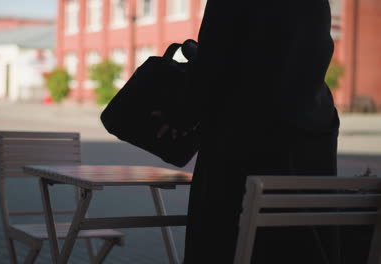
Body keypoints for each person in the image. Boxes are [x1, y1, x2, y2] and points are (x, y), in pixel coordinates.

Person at [154, 0, 369, 263]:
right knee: (305, 233)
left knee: (228, 234)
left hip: (245, 132)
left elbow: (214, 60)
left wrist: (181, 116)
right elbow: (314, 50)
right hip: (311, 127)